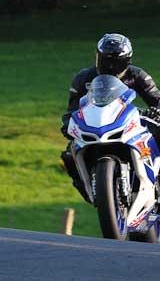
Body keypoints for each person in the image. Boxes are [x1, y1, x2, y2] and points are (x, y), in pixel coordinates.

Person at [60, 33, 160, 198]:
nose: (111, 67)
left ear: (127, 61)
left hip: (129, 123)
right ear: (97, 57)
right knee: (69, 154)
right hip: (96, 125)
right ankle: (88, 190)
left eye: (117, 63)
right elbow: (72, 109)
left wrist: (156, 112)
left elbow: (156, 99)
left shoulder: (138, 75)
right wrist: (68, 124)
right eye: (107, 61)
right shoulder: (83, 78)